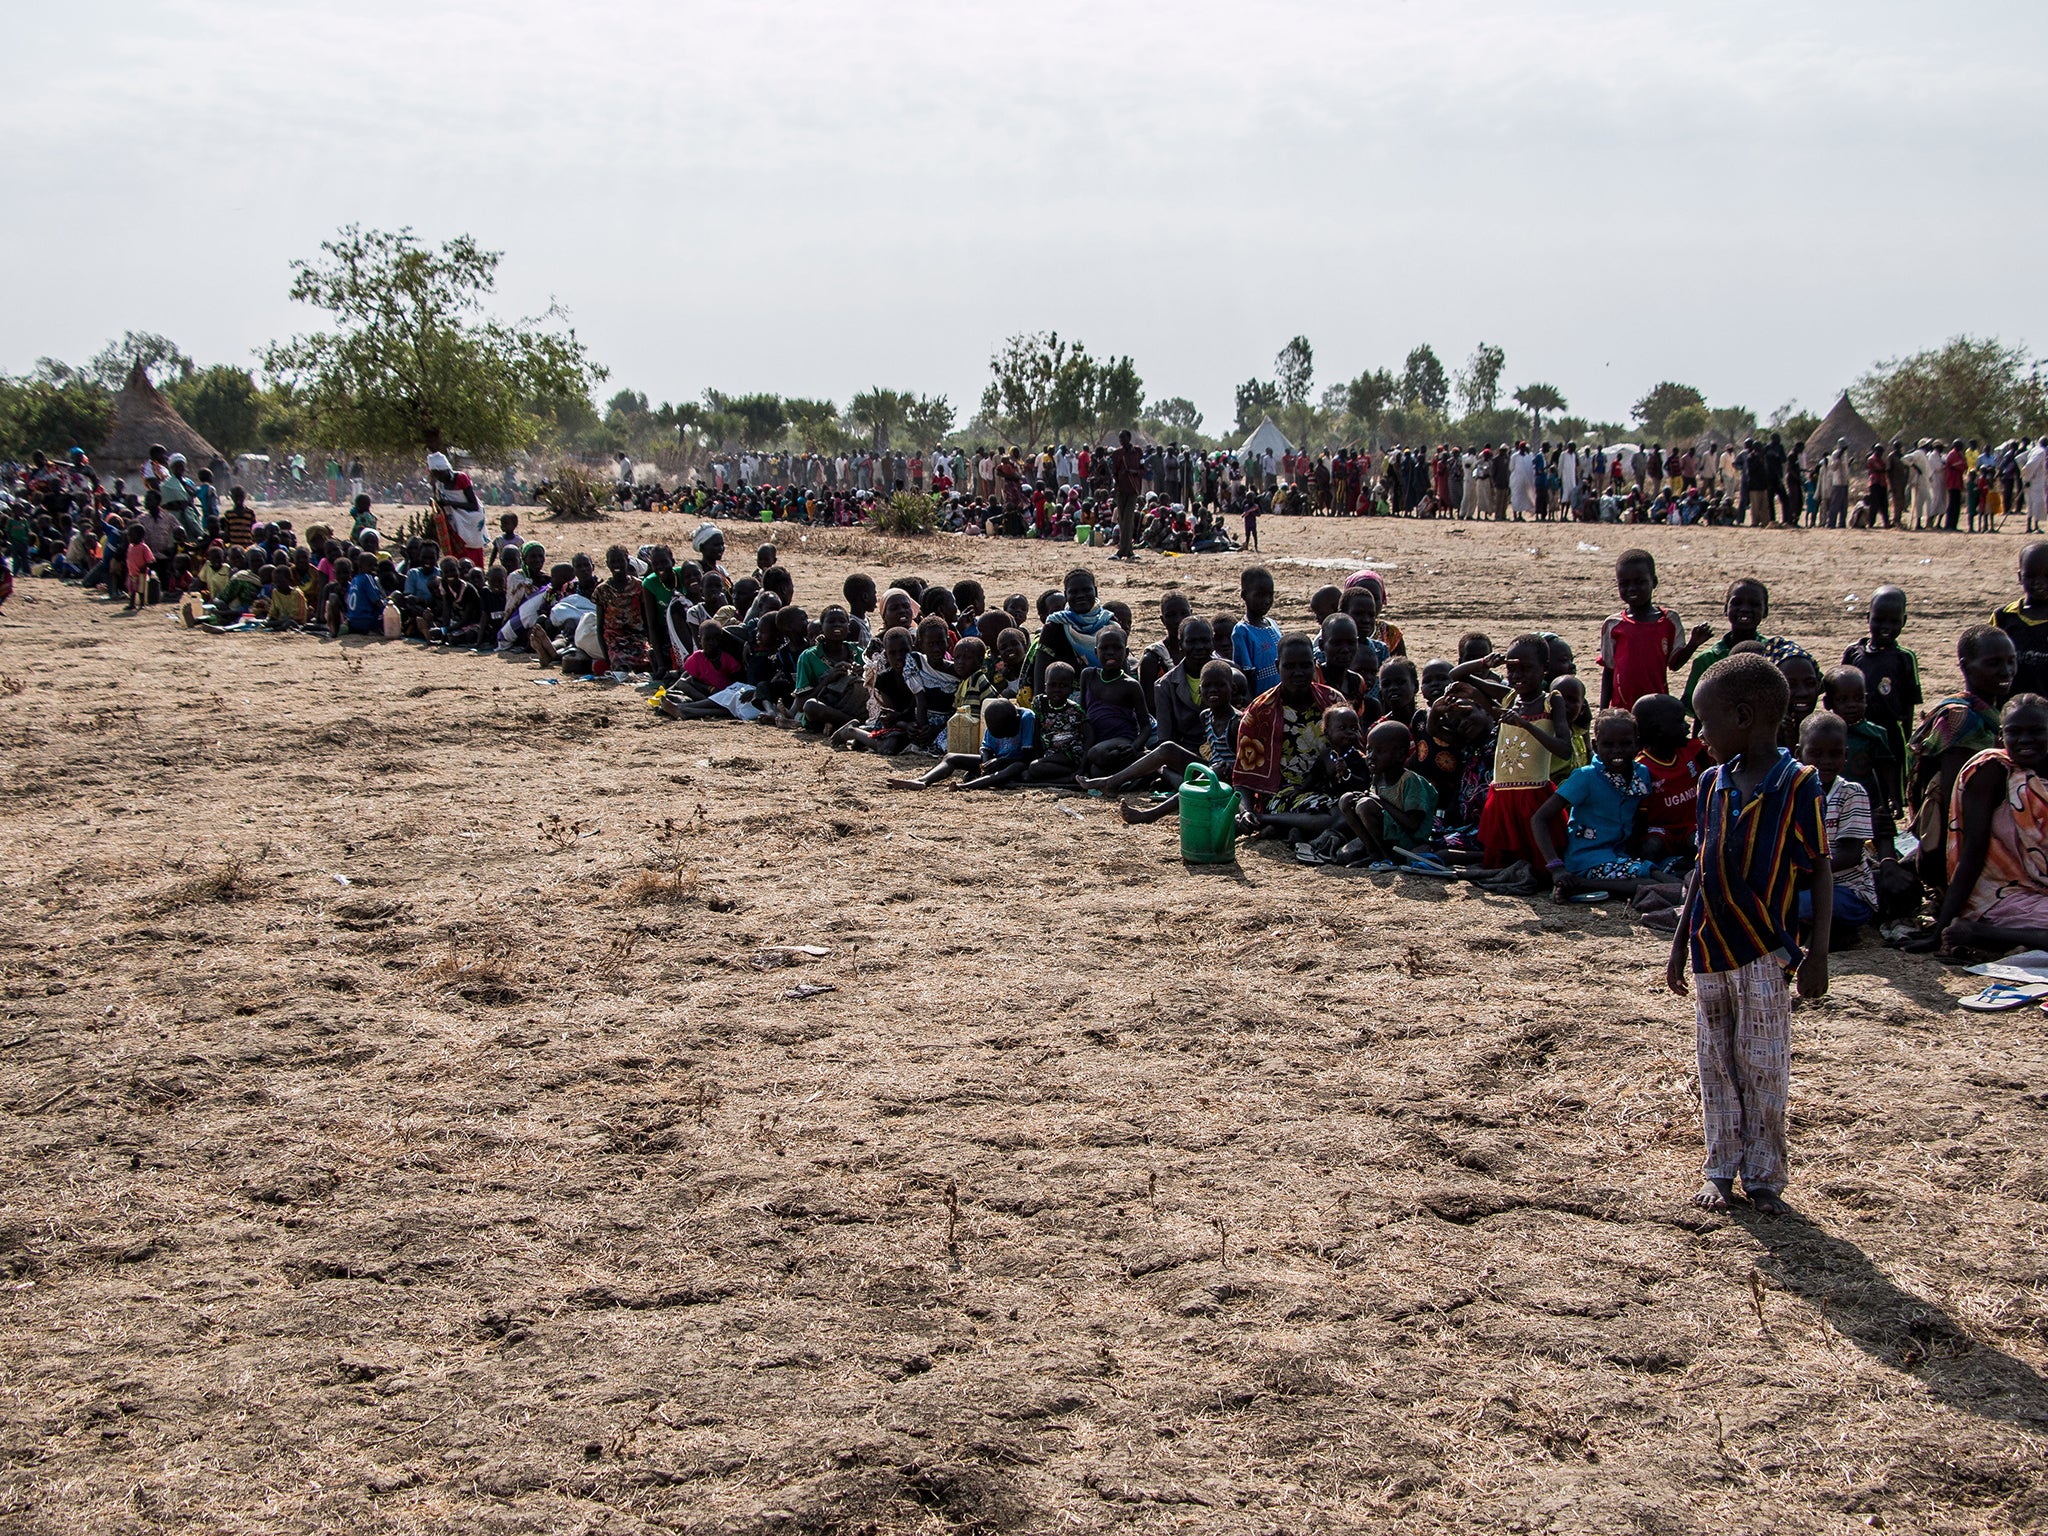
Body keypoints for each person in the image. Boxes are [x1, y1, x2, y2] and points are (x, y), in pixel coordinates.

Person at [1666, 653, 1830, 1217]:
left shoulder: (1798, 784)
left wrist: (1817, 956)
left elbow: (1821, 869)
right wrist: (1678, 945)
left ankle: (1764, 1176)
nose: (1699, 734)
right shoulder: (1712, 782)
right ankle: (1720, 1170)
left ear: (1741, 716)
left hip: (1765, 949)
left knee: (1763, 1064)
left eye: (1705, 722)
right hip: (1710, 947)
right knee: (1714, 1064)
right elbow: (1703, 867)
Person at [1916, 694, 2048, 954]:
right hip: (1999, 895)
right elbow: (1972, 852)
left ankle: (2006, 938)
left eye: (2036, 732)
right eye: (2014, 732)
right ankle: (1977, 932)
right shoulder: (1991, 772)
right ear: (2000, 736)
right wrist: (1939, 930)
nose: (2025, 740)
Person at [1905, 625, 2016, 894]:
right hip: (1956, 847)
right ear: (1966, 666)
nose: (2006, 671)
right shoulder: (1962, 719)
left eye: (2011, 661)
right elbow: (1957, 803)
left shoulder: (1989, 713)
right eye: (1994, 663)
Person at [1533, 708, 1657, 894]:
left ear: (1637, 744)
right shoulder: (1586, 777)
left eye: (1625, 744)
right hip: (1587, 859)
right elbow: (1539, 818)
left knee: (1661, 870)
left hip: (1620, 854)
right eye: (1608, 744)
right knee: (1647, 879)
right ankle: (1579, 883)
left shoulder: (1641, 774)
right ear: (1595, 745)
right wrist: (1556, 867)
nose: (1617, 751)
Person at [1797, 711, 1880, 941]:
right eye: (1816, 753)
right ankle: (1826, 932)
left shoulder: (1851, 793)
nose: (1825, 761)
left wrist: (1800, 873)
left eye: (1835, 755)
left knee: (1790, 906)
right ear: (1799, 754)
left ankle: (1830, 930)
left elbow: (1850, 854)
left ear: (1846, 756)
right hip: (1808, 884)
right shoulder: (1793, 794)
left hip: (1849, 893)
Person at [1597, 549, 1713, 710]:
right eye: (1624, 584)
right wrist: (1603, 710)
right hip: (1622, 708)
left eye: (1640, 582)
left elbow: (1675, 664)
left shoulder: (1669, 621)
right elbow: (1609, 670)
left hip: (1657, 707)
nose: (1632, 588)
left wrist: (1693, 644)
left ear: (1654, 582)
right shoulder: (1613, 624)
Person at [1332, 719, 1436, 865]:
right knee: (1347, 799)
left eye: (1379, 751)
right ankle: (1374, 852)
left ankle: (1388, 857)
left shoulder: (1410, 781)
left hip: (1409, 842)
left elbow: (1413, 825)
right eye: (1369, 750)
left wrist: (1379, 801)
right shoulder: (1378, 778)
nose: (1371, 756)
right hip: (1389, 836)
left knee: (1365, 805)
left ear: (1400, 755)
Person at [1841, 586, 1920, 776]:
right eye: (1878, 620)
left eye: (1894, 621)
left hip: (1891, 731)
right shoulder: (1854, 652)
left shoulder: (1905, 658)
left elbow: (1909, 703)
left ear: (1904, 621)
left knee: (1891, 773)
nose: (1886, 627)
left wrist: (1907, 738)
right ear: (1868, 618)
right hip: (1857, 727)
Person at [1679, 579, 1772, 720]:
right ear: (1725, 608)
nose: (1745, 609)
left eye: (1754, 604)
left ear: (1765, 611)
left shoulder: (1774, 653)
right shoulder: (1707, 659)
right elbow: (1697, 710)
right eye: (1737, 602)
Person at [1993, 542, 2048, 699]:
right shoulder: (2003, 617)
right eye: (2030, 576)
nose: (2039, 582)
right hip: (2008, 711)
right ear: (2019, 577)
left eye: (2047, 575)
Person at [1230, 566, 1282, 694]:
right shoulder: (1242, 631)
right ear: (1244, 595)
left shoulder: (1272, 624)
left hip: (1281, 696)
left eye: (1270, 595)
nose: (1266, 601)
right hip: (1261, 699)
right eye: (1259, 595)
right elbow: (1247, 674)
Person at [1109, 431, 1145, 560]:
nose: (1121, 440)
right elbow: (1114, 472)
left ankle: (1123, 550)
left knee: (1128, 519)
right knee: (1122, 519)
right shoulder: (1117, 454)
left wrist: (1134, 472)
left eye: (1123, 438)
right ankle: (1127, 550)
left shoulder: (1138, 452)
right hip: (1121, 489)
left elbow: (1143, 468)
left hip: (1133, 489)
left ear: (1129, 438)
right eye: (1120, 438)